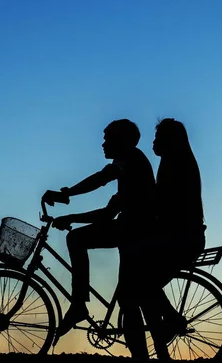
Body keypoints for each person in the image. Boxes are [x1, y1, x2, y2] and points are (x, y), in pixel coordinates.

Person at [42, 118, 157, 340]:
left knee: (76, 239)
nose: (103, 144)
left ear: (121, 140)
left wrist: (67, 195)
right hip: (133, 230)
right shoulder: (131, 172)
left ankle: (78, 304)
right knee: (129, 299)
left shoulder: (129, 158)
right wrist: (72, 217)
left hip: (134, 231)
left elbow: (101, 178)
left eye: (107, 139)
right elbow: (106, 214)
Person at [123, 117, 208, 359]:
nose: (153, 142)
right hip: (181, 237)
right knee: (144, 286)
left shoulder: (175, 165)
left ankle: (170, 321)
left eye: (158, 138)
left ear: (170, 141)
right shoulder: (176, 162)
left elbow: (160, 204)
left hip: (180, 239)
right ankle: (161, 348)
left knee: (141, 284)